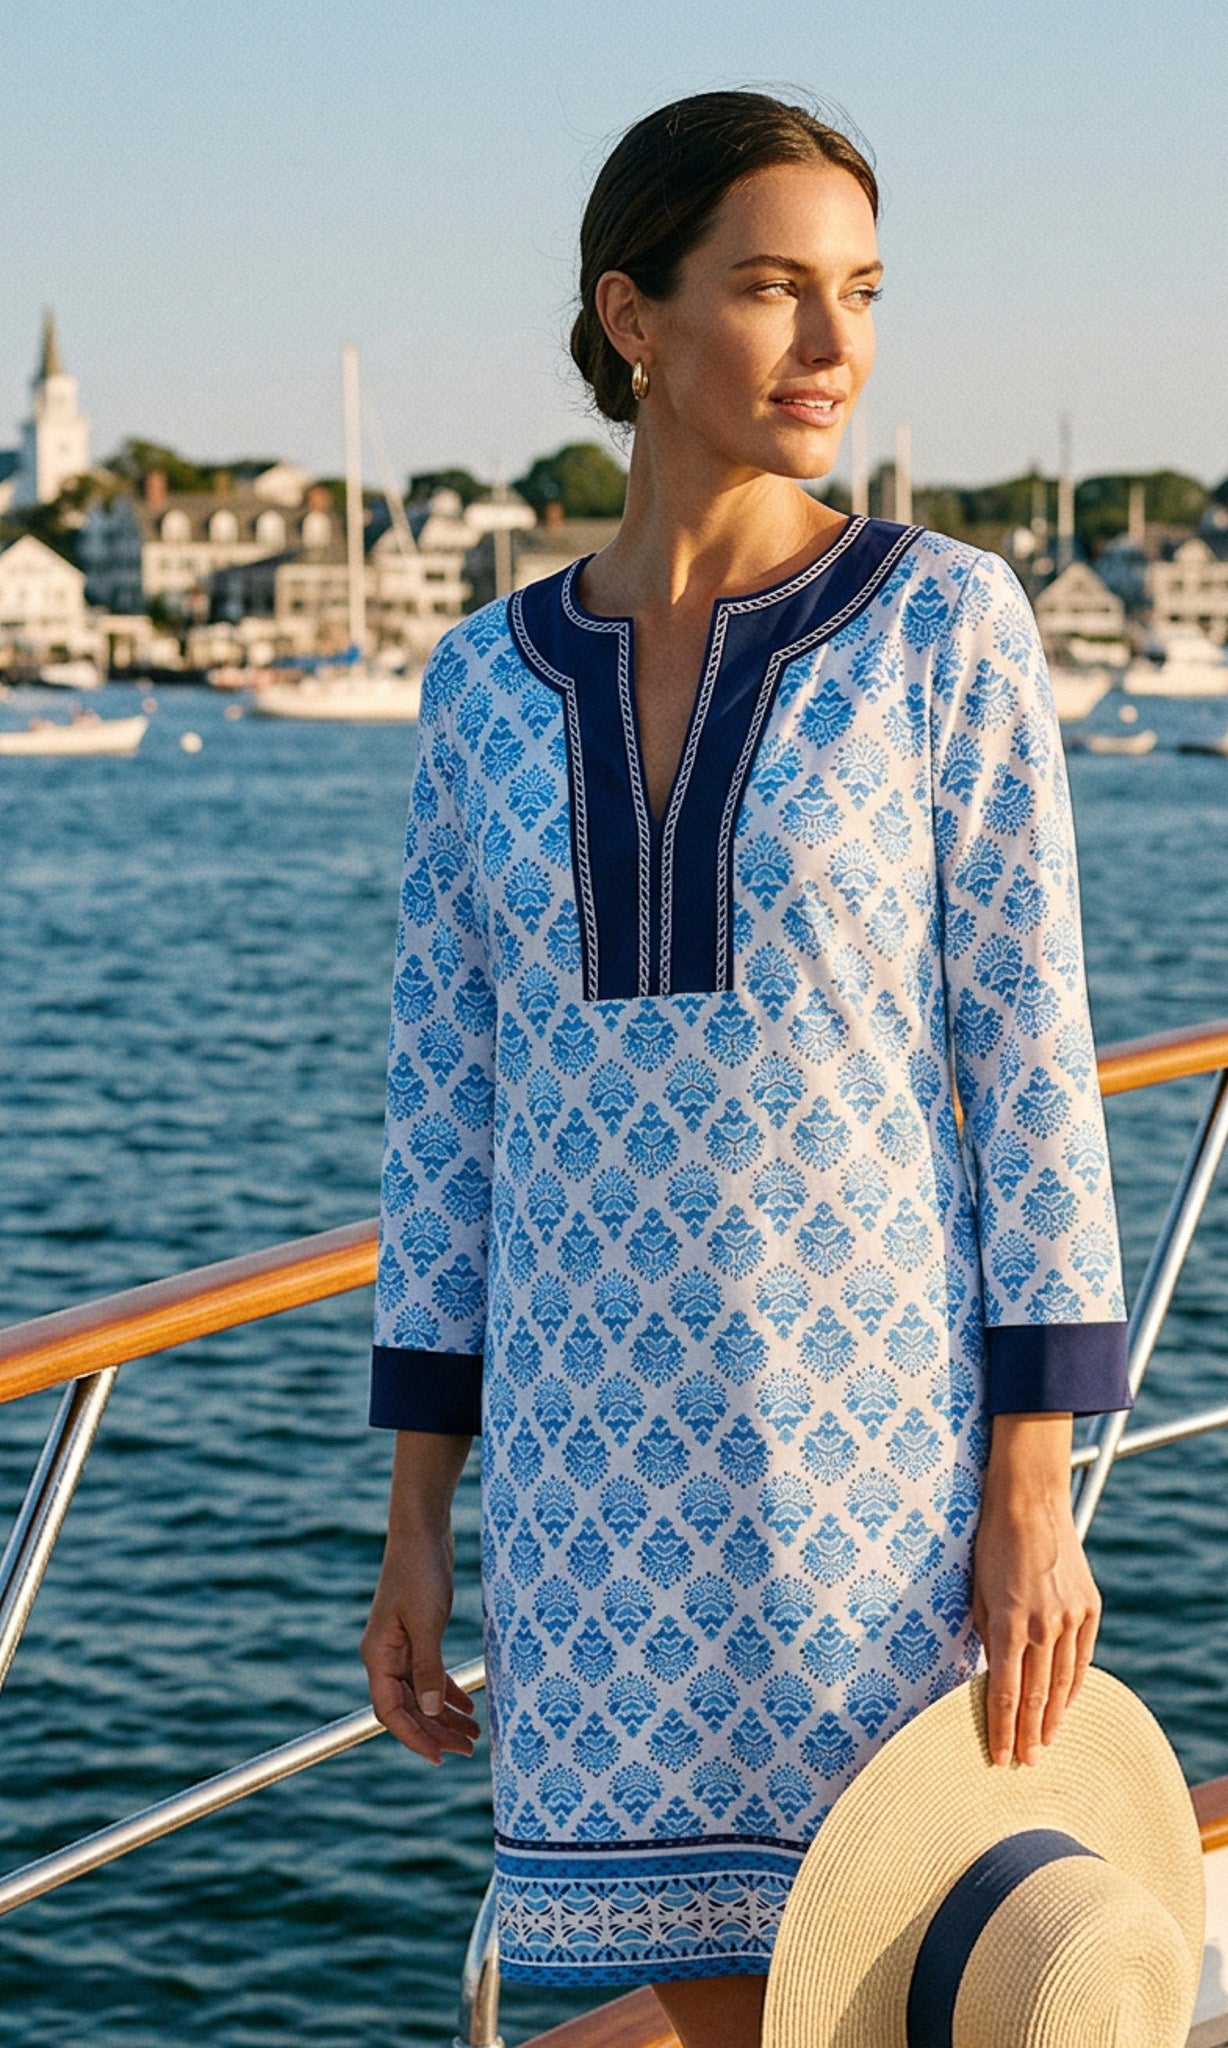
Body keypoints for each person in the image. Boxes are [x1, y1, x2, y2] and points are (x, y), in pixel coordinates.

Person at [360, 89, 1130, 2048]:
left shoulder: (942, 624)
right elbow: (445, 1116)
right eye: (773, 286)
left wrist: (1032, 1488)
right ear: (635, 314)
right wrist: (419, 1519)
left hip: (867, 1469)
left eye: (858, 291)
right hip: (582, 1478)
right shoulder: (478, 683)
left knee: (865, 1983)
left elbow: (1030, 1056)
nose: (833, 343)